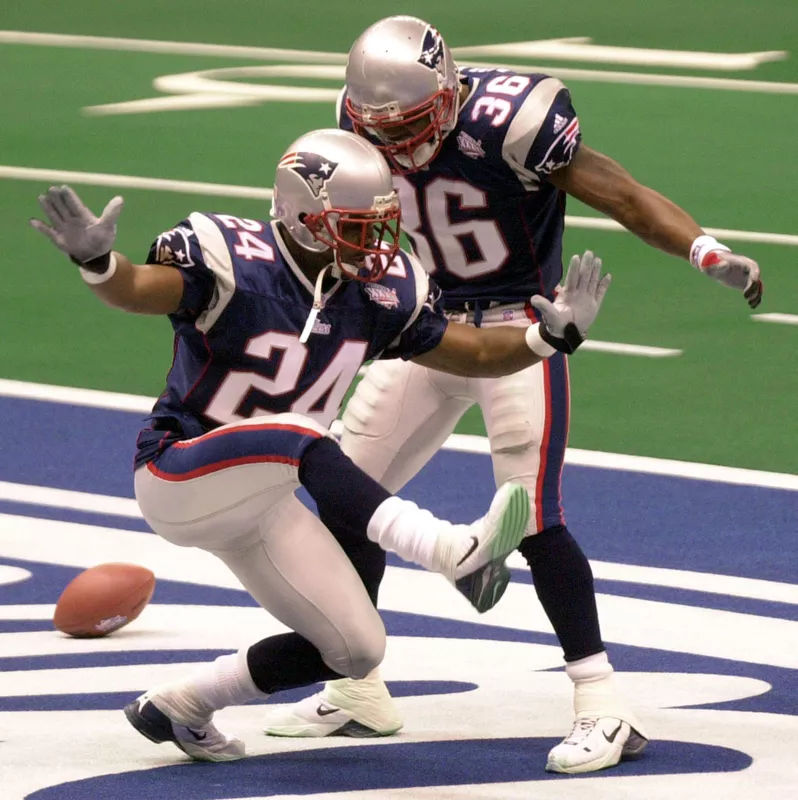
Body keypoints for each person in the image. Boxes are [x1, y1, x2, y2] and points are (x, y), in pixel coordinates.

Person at [261, 17, 765, 775]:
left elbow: (619, 193)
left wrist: (703, 248)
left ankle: (604, 705)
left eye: (406, 124)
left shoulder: (515, 122)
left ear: (447, 91)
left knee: (532, 516)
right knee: (348, 502)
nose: (395, 143)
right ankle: (358, 686)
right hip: (423, 328)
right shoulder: (356, 116)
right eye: (378, 129)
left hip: (521, 327)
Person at [29, 128, 611, 762]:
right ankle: (450, 552)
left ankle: (183, 704)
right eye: (358, 225)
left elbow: (469, 351)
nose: (378, 243)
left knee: (356, 650)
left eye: (382, 224)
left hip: (266, 496)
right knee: (305, 431)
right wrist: (98, 264)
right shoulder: (229, 256)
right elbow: (138, 290)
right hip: (180, 472)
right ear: (305, 219)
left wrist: (544, 340)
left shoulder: (377, 288)